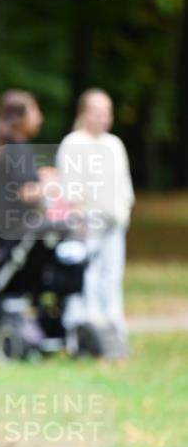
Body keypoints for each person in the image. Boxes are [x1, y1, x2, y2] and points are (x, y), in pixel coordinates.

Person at [57, 88, 134, 355]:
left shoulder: (114, 144)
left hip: (115, 223)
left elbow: (123, 185)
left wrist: (124, 211)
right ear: (85, 113)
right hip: (88, 225)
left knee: (111, 278)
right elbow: (71, 187)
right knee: (86, 279)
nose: (103, 118)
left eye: (107, 112)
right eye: (97, 111)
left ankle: (113, 330)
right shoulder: (74, 143)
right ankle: (86, 332)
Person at [0, 89, 44, 253]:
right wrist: (56, 187)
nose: (40, 118)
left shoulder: (0, 145)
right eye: (34, 111)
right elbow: (24, 192)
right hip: (15, 223)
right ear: (18, 118)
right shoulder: (17, 148)